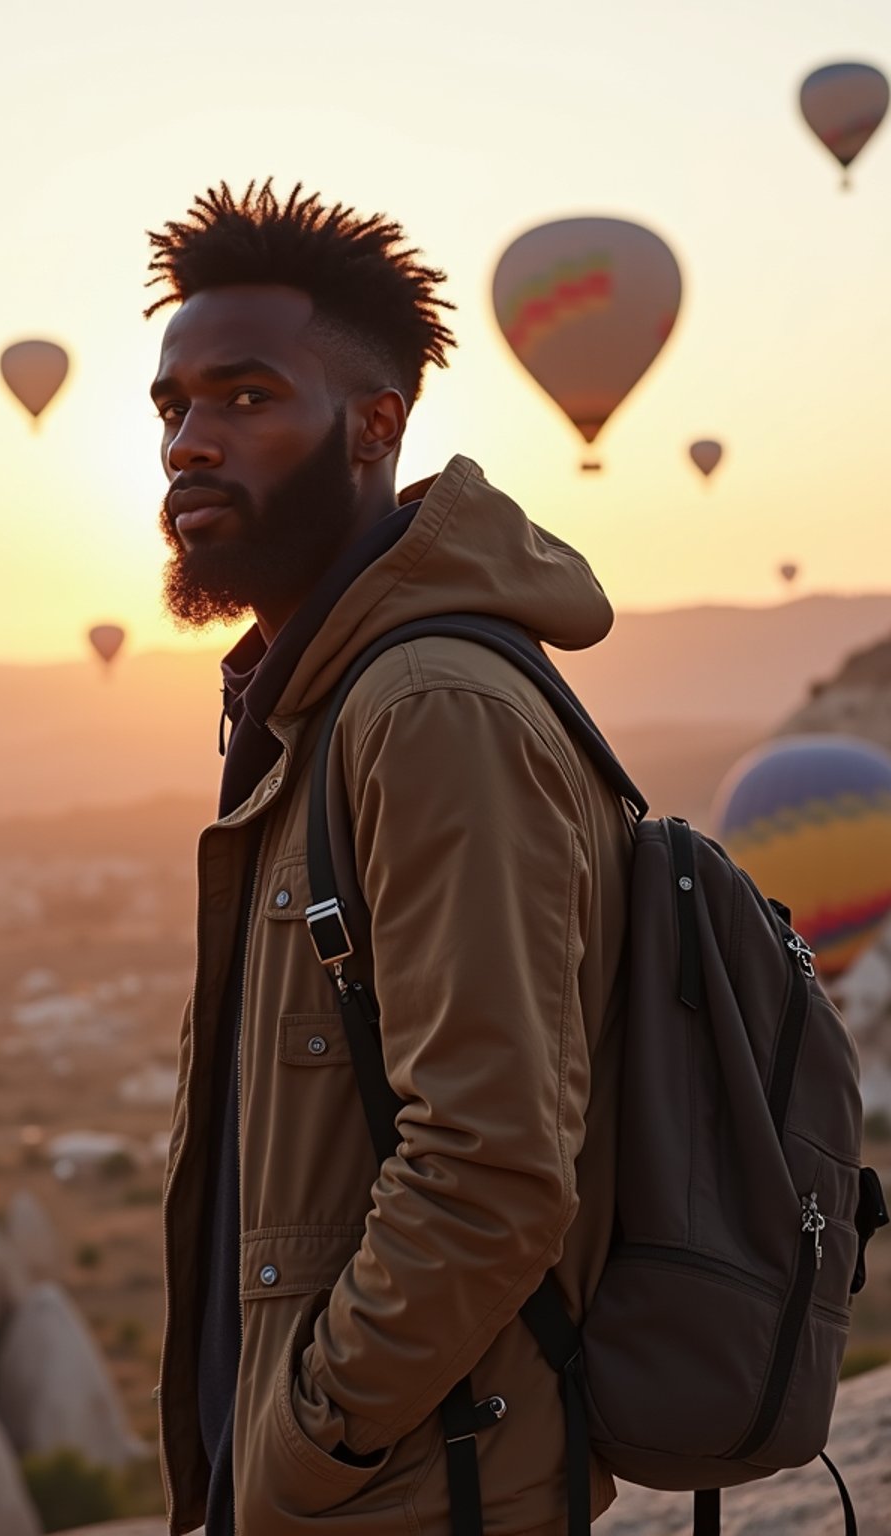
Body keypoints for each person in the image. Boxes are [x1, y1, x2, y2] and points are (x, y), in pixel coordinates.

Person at [146, 179, 633, 1536]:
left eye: (246, 397)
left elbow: (491, 1167)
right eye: (173, 406)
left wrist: (316, 1437)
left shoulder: (425, 711)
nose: (190, 442)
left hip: (415, 1495)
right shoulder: (321, 706)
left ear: (375, 425)